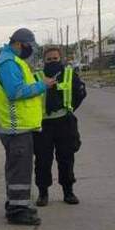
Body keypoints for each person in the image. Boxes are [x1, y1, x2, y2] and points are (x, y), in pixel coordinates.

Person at [0, 28, 56, 225]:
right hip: (14, 127)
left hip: (16, 127)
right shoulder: (9, 63)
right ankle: (18, 210)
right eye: (28, 47)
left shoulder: (12, 61)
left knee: (17, 167)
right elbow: (15, 92)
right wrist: (42, 85)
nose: (30, 51)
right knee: (20, 169)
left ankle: (16, 205)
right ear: (18, 44)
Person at [33, 47, 87, 206]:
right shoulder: (37, 77)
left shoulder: (70, 75)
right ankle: (43, 193)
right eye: (49, 59)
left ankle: (68, 191)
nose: (52, 62)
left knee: (66, 159)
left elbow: (80, 93)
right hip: (43, 125)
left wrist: (70, 109)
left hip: (64, 122)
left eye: (55, 59)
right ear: (44, 61)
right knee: (43, 161)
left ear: (61, 59)